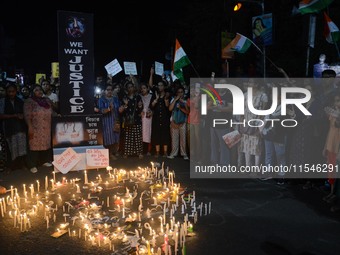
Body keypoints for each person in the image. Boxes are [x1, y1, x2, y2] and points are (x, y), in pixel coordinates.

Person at [24, 85, 53, 173]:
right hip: (35, 126)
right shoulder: (29, 101)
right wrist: (30, 126)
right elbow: (27, 115)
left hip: (46, 126)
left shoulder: (46, 101)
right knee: (34, 145)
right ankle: (32, 165)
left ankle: (43, 161)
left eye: (40, 90)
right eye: (36, 90)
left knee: (45, 144)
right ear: (33, 92)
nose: (39, 91)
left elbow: (52, 111)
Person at [0, 83, 27, 170]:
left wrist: (22, 116)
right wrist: (14, 116)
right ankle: (12, 166)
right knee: (11, 148)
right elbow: (1, 115)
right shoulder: (3, 101)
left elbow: (25, 113)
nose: (11, 93)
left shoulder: (20, 100)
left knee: (21, 147)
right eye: (9, 91)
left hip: (20, 128)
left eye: (13, 91)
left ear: (16, 91)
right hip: (9, 128)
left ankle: (21, 164)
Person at [97, 84, 121, 160]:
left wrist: (123, 108)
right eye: (108, 90)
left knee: (116, 137)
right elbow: (101, 110)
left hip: (115, 120)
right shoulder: (102, 99)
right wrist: (108, 109)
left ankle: (114, 152)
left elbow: (119, 109)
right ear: (104, 91)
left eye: (111, 89)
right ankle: (109, 154)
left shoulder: (115, 99)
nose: (109, 91)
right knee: (108, 138)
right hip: (106, 121)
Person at [121, 82, 143, 159]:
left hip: (137, 119)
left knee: (137, 137)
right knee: (128, 137)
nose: (130, 88)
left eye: (131, 87)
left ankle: (139, 153)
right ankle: (126, 153)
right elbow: (122, 110)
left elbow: (141, 109)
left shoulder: (138, 97)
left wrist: (140, 106)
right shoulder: (125, 97)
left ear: (134, 88)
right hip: (128, 120)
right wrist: (126, 105)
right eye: (129, 87)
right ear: (127, 89)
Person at [168, 86, 189, 160]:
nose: (180, 93)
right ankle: (173, 153)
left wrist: (181, 106)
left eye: (181, 92)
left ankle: (184, 154)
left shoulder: (186, 101)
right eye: (179, 92)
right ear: (176, 93)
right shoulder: (173, 100)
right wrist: (175, 100)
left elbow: (187, 112)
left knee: (183, 139)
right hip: (174, 122)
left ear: (184, 93)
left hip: (183, 122)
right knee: (174, 139)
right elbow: (170, 109)